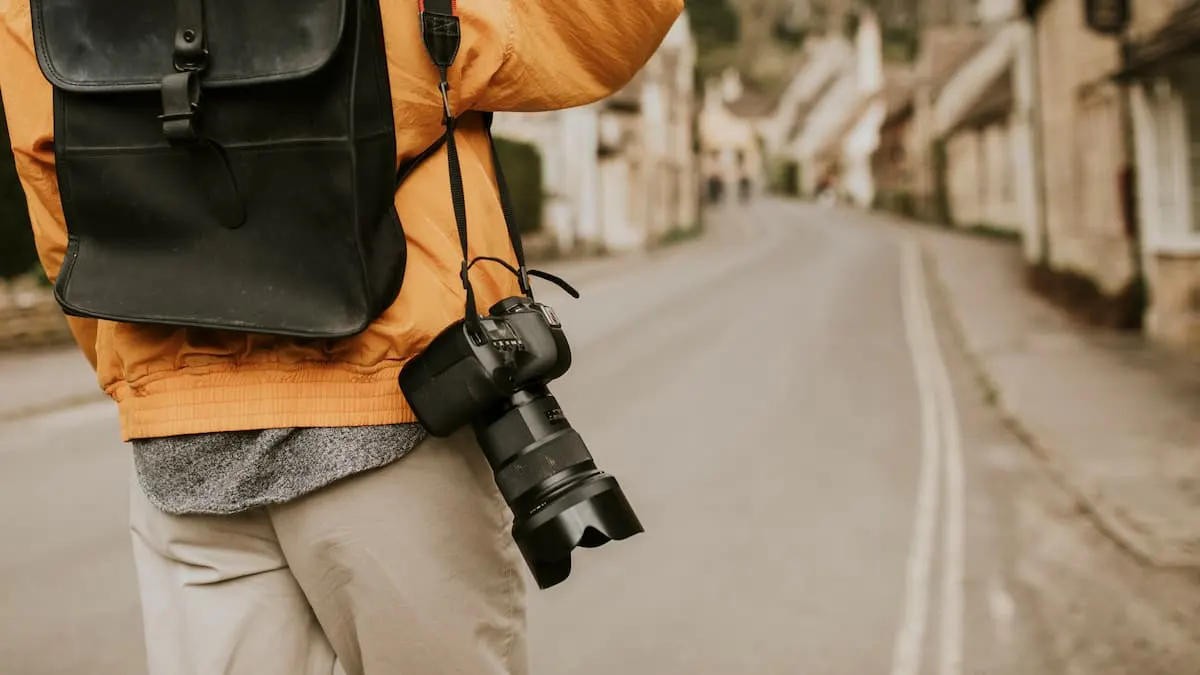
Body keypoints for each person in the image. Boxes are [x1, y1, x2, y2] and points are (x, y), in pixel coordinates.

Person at [0, 0, 684, 673]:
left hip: (183, 446)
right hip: (392, 411)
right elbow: (607, 26)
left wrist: (148, 384)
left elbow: (60, 200)